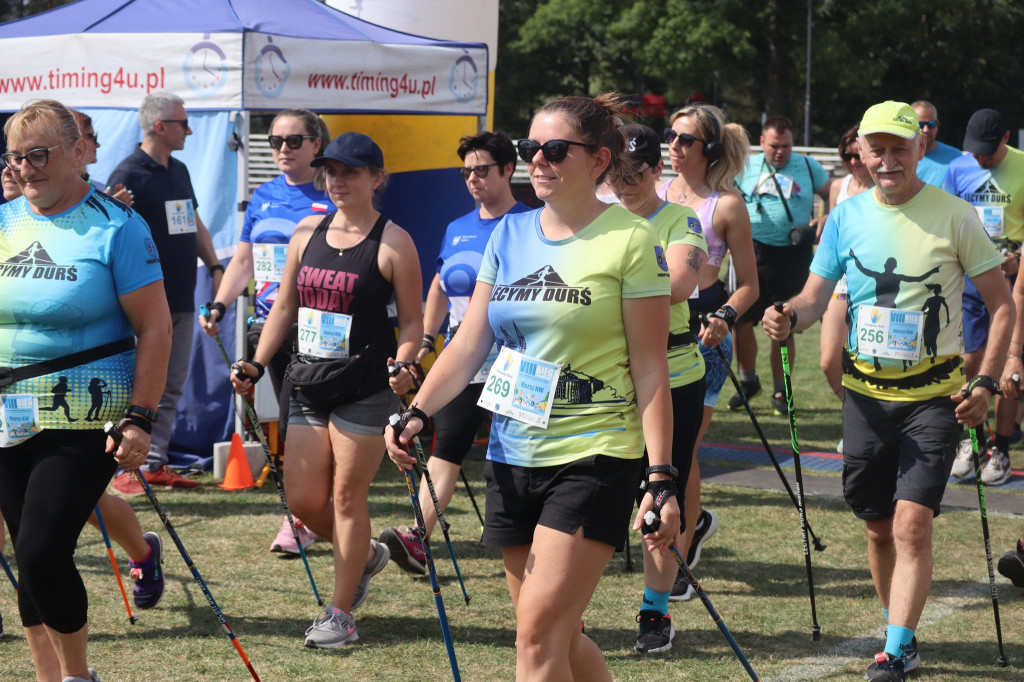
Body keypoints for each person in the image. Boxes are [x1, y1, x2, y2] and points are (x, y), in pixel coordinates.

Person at [386, 93, 679, 680]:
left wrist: (661, 476)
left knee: (536, 644)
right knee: (554, 637)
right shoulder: (511, 234)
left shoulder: (629, 239)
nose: (537, 161)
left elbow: (651, 367)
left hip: (595, 454)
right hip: (512, 450)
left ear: (598, 160)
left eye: (553, 149)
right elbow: (471, 343)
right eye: (528, 149)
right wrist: (416, 411)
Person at [763, 100, 1012, 682]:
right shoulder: (848, 216)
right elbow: (812, 298)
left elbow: (1001, 306)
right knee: (876, 525)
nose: (888, 159)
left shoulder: (955, 215)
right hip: (865, 398)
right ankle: (896, 623)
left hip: (934, 398)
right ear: (863, 153)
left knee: (911, 523)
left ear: (921, 147)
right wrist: (786, 317)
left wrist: (985, 381)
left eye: (900, 147)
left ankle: (895, 649)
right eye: (878, 148)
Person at [0, 99, 171, 682]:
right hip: (7, 415)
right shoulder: (4, 221)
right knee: (27, 553)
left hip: (85, 415)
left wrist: (142, 417)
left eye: (39, 154)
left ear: (79, 152)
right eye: (16, 157)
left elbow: (155, 325)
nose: (27, 169)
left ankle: (78, 676)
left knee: (44, 550)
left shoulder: (117, 226)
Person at [232, 131, 422, 648]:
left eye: (351, 172)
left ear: (376, 179)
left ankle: (340, 614)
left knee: (345, 495)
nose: (338, 181)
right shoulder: (306, 232)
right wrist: (254, 363)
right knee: (302, 500)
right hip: (309, 381)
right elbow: (285, 309)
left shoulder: (393, 242)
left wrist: (406, 364)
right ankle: (365, 555)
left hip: (363, 385)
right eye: (332, 171)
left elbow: (411, 323)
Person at [379, 130, 530, 574]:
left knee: (519, 453)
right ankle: (416, 537)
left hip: (516, 357)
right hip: (465, 355)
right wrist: (426, 340)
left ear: (508, 169)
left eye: (482, 170)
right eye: (466, 172)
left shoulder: (529, 223)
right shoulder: (457, 228)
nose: (472, 179)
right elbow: (442, 285)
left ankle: (536, 536)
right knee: (447, 446)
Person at [199, 109, 331, 555]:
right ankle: (307, 515)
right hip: (270, 327)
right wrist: (219, 303)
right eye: (275, 142)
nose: (283, 150)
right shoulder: (265, 195)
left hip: (319, 328)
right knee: (295, 424)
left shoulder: (332, 191)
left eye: (294, 141)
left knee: (308, 425)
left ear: (316, 143)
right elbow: (244, 260)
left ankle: (305, 516)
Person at [611, 123, 707, 653]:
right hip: (612, 375)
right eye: (617, 175)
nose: (625, 186)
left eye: (637, 175)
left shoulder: (680, 219)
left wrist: (609, 289)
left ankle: (655, 611)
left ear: (657, 171)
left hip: (673, 376)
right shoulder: (599, 217)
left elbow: (679, 285)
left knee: (657, 497)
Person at [659, 104, 758, 600]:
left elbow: (750, 287)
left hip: (703, 335)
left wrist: (725, 319)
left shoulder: (726, 206)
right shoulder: (652, 193)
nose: (674, 148)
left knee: (683, 448)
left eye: (686, 141)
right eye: (670, 137)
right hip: (653, 329)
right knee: (653, 445)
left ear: (710, 150)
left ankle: (679, 550)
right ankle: (685, 526)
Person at [107, 92, 222, 496]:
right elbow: (109, 233)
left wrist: (215, 266)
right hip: (142, 306)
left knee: (170, 386)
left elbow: (193, 221)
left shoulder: (180, 169)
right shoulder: (129, 173)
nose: (189, 130)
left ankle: (154, 464)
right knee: (137, 388)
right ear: (160, 127)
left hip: (182, 298)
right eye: (182, 123)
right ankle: (123, 469)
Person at [944, 107, 1024, 485]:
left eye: (988, 151)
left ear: (1006, 138)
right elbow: (945, 220)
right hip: (972, 281)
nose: (981, 158)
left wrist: (1019, 258)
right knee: (971, 359)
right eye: (975, 151)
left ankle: (1003, 450)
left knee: (1011, 367)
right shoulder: (958, 169)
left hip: (1015, 279)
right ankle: (973, 441)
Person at [733, 115, 831, 415]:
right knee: (741, 319)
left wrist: (826, 217)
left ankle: (781, 390)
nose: (780, 152)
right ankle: (748, 381)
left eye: (786, 146)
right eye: (774, 146)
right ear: (761, 142)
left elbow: (833, 195)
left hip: (793, 253)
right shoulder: (745, 166)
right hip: (752, 251)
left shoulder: (807, 165)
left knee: (784, 323)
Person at [820, 126, 874, 412]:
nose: (852, 162)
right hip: (839, 280)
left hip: (872, 281)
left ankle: (869, 423)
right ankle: (856, 415)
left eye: (857, 155)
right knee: (829, 360)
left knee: (867, 359)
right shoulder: (838, 187)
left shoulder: (882, 188)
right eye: (846, 155)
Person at [67, 109, 134, 206]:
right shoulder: (65, 187)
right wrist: (109, 209)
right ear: (77, 141)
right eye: (92, 136)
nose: (98, 144)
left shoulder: (84, 183)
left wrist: (110, 206)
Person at [911, 100, 962, 187]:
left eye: (931, 124)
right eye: (920, 125)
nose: (926, 130)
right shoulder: (900, 157)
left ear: (937, 124)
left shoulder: (955, 157)